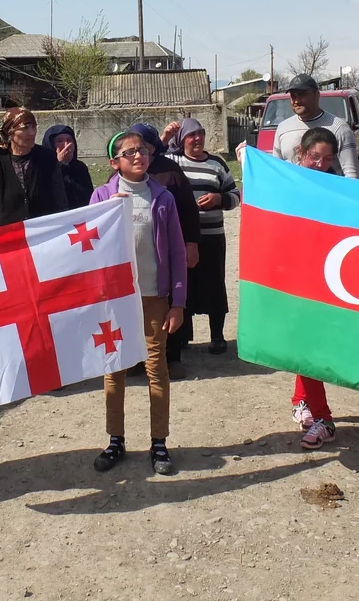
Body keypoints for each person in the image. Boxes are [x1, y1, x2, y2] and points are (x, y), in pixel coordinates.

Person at [90, 130, 187, 476]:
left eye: (142, 150)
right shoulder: (101, 196)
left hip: (153, 298)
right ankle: (115, 439)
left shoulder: (162, 197)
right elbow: (89, 249)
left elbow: (176, 251)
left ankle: (159, 442)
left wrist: (178, 302)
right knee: (113, 372)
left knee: (155, 370)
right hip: (115, 300)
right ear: (114, 162)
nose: (137, 156)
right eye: (128, 152)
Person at [130, 122, 201, 379]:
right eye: (134, 146)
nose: (139, 152)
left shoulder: (171, 172)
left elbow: (189, 211)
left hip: (167, 250)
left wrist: (191, 244)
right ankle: (137, 358)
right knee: (136, 308)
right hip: (134, 256)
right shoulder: (123, 176)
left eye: (145, 146)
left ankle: (172, 357)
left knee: (170, 303)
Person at [163, 118, 240, 355]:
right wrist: (164, 137)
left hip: (212, 236)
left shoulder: (217, 163)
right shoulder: (173, 161)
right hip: (181, 237)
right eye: (190, 135)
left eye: (200, 134)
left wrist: (219, 199)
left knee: (215, 284)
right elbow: (151, 158)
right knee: (183, 285)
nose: (196, 139)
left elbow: (236, 194)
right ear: (182, 139)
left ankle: (217, 336)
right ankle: (183, 336)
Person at [288, 127, 344, 449]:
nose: (321, 164)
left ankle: (324, 419)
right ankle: (302, 399)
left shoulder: (337, 188)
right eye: (314, 157)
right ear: (301, 153)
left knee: (308, 346)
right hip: (291, 277)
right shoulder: (285, 183)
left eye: (328, 159)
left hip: (322, 278)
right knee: (298, 344)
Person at [0, 107, 67, 228]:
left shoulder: (48, 158)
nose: (32, 132)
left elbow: (60, 203)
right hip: (8, 239)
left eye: (34, 127)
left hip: (43, 237)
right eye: (25, 128)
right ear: (11, 131)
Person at [271, 74, 359, 177]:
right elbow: (276, 169)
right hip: (293, 192)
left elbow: (352, 175)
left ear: (317, 95)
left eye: (303, 95)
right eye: (293, 96)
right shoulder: (283, 128)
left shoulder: (339, 128)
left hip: (327, 191)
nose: (297, 101)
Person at [42, 124, 94, 210]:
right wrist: (60, 164)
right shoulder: (42, 168)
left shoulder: (80, 168)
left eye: (69, 140)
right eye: (59, 141)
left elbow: (89, 198)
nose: (66, 145)